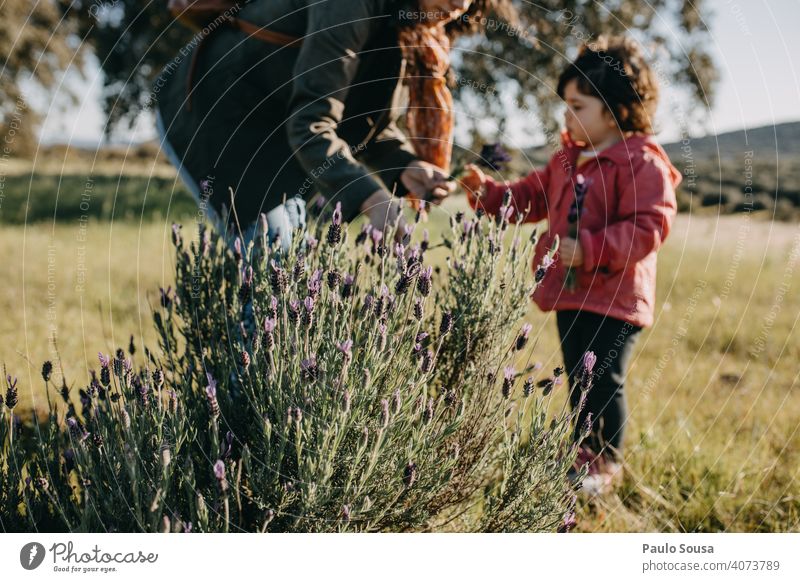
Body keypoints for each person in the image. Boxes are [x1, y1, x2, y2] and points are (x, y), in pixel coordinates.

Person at [460, 36, 682, 496]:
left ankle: (604, 468)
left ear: (615, 110)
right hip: (570, 290)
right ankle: (582, 454)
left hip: (615, 298)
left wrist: (591, 249)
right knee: (579, 377)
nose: (566, 115)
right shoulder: (568, 158)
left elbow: (650, 227)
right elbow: (529, 196)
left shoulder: (641, 163)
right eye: (566, 105)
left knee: (602, 380)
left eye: (577, 106)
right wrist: (490, 195)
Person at [155, 0, 514, 250]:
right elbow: (311, 122)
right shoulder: (351, 5)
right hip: (218, 120)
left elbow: (363, 120)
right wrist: (370, 198)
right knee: (272, 285)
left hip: (279, 137)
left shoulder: (410, 23)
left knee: (289, 285)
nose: (460, 3)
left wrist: (404, 166)